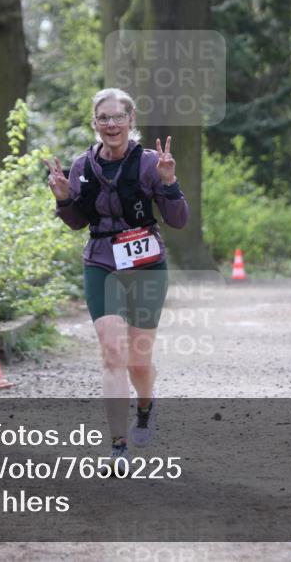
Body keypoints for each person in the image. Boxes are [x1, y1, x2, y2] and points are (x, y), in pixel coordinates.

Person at [44, 88, 188, 466]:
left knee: (139, 361)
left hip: (145, 265)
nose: (111, 124)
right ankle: (118, 446)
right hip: (102, 262)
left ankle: (145, 404)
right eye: (103, 118)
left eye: (117, 117)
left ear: (131, 121)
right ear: (95, 123)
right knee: (112, 354)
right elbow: (77, 222)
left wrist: (169, 183)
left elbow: (178, 220)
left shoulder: (150, 163)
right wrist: (62, 199)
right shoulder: (81, 167)